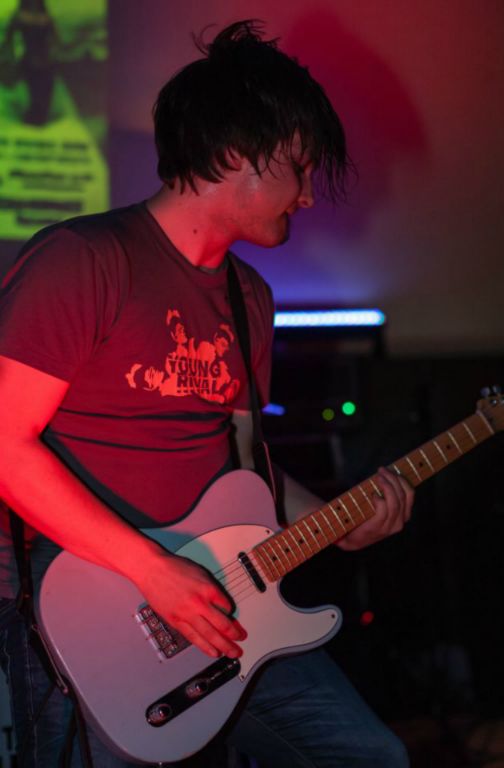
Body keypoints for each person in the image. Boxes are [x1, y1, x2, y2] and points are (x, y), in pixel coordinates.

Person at [0, 19, 414, 767]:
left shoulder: (250, 296)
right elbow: (6, 447)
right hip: (89, 609)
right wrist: (153, 571)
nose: (309, 196)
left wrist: (337, 522)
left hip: (221, 601)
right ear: (236, 157)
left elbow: (248, 470)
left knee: (369, 755)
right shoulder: (83, 260)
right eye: (300, 169)